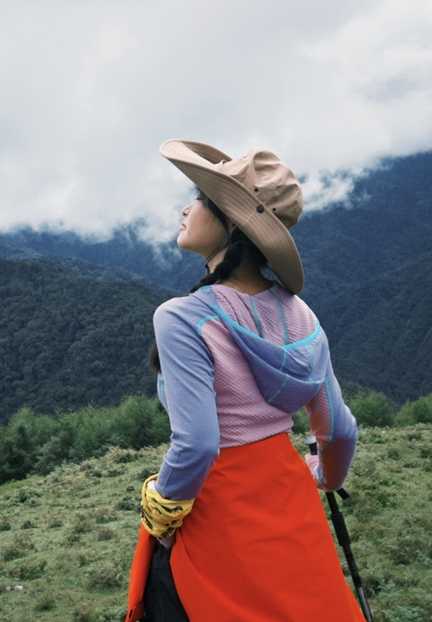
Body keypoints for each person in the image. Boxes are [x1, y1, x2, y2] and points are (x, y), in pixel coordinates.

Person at [124, 139, 364, 621]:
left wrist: (161, 512)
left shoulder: (182, 317)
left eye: (199, 199)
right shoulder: (303, 316)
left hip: (218, 510)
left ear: (231, 223)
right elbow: (339, 429)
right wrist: (321, 476)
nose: (186, 209)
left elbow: (197, 444)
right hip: (290, 498)